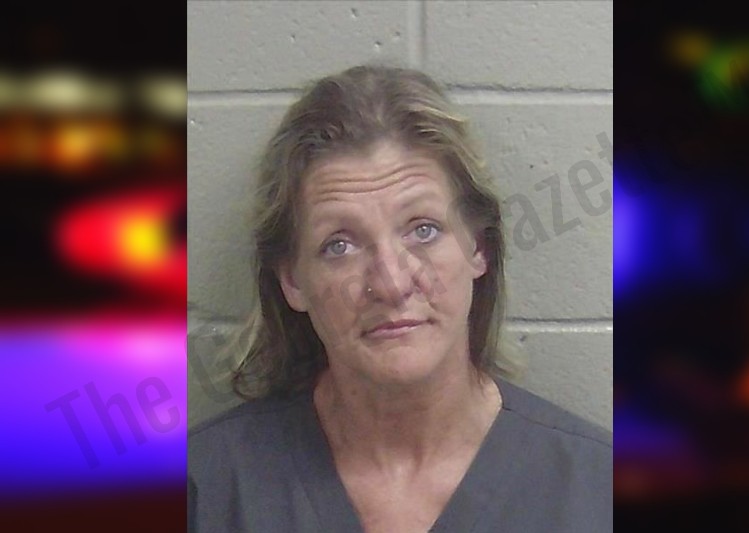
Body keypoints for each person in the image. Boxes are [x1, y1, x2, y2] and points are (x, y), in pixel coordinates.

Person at [188, 64, 611, 533]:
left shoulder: (597, 491)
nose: (391, 283)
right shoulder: (207, 490)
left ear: (478, 247)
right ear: (292, 281)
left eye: (423, 230)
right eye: (339, 245)